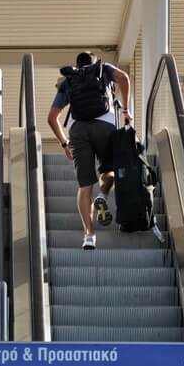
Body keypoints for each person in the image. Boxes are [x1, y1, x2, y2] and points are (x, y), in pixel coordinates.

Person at [47, 51, 132, 249]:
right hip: (106, 127)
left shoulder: (69, 80)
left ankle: (89, 234)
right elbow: (124, 78)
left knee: (84, 186)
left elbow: (52, 118)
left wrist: (64, 143)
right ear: (95, 62)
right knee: (109, 170)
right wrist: (126, 110)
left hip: (78, 131)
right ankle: (102, 196)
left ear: (77, 65)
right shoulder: (104, 69)